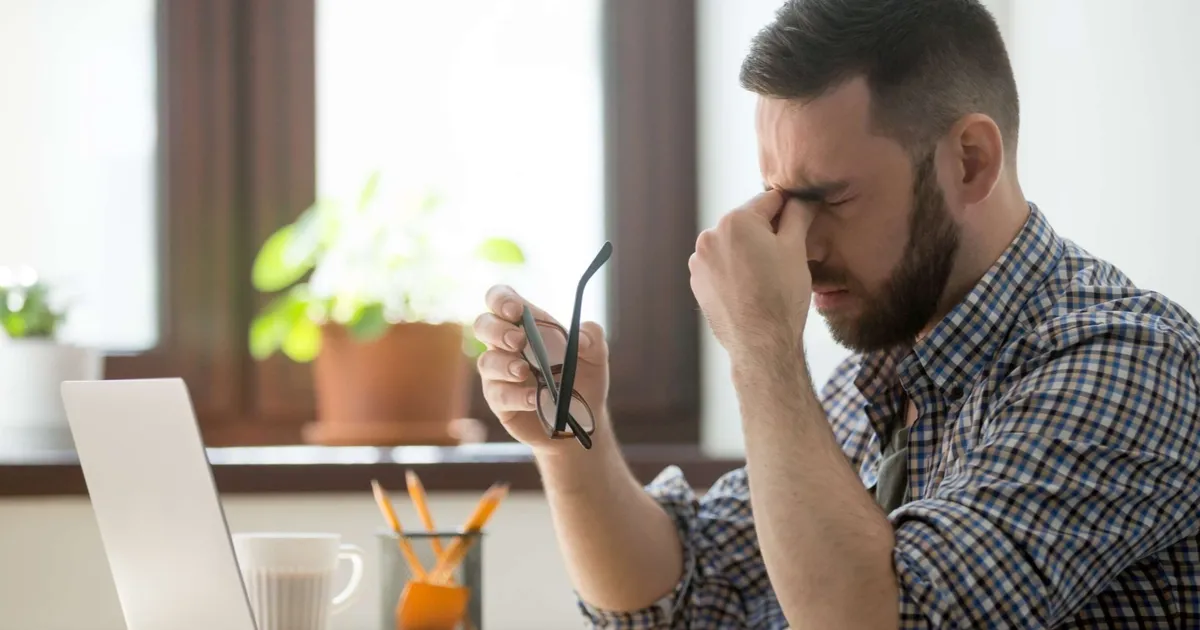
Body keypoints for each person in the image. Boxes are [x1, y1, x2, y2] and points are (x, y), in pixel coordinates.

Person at [472, 0, 1200, 627]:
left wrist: (762, 343)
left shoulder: (1125, 361)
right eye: (779, 197)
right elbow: (679, 597)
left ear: (971, 160)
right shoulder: (879, 383)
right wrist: (572, 443)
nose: (800, 243)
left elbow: (888, 615)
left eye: (829, 198)